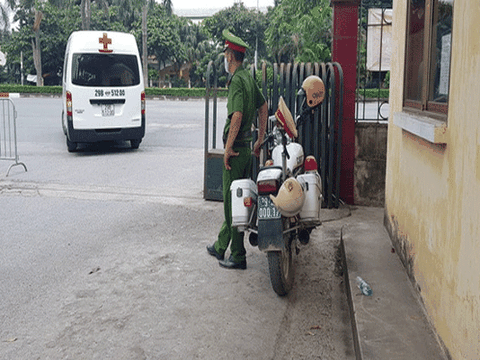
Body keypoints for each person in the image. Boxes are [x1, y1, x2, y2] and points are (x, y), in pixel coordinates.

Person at [207, 29, 268, 270]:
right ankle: (221, 245)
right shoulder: (248, 78)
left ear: (231, 55)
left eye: (225, 53)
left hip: (236, 152)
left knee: (232, 205)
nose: (224, 57)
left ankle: (238, 256)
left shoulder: (237, 81)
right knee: (237, 201)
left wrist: (227, 148)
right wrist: (259, 139)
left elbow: (238, 115)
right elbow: (263, 107)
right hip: (247, 150)